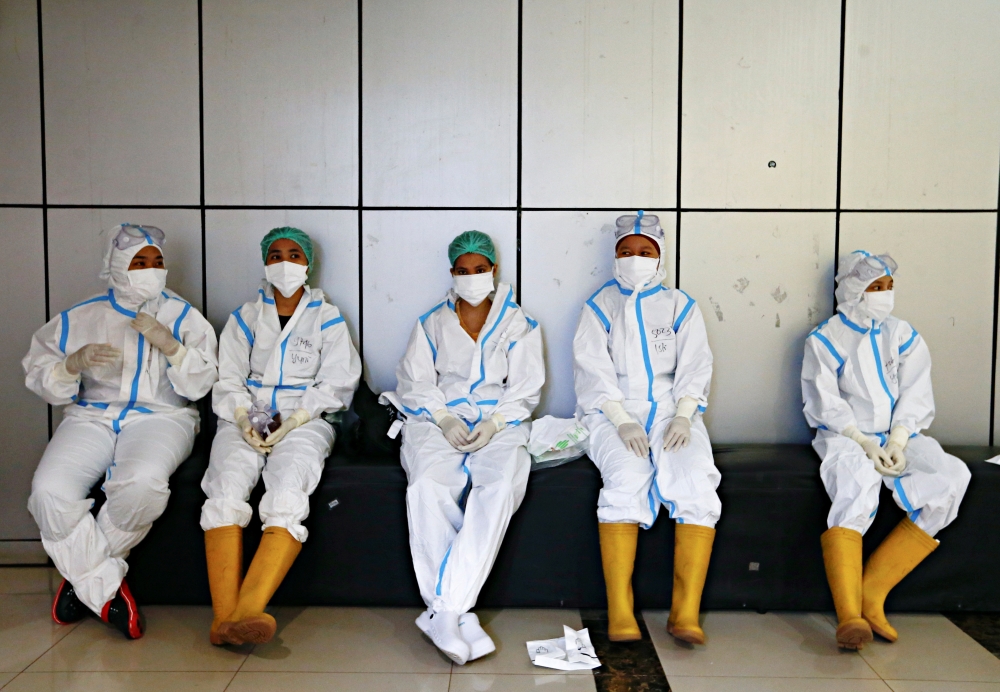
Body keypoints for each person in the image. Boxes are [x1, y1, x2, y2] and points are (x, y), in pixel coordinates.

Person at [22, 223, 218, 639]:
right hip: (91, 416)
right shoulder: (83, 315)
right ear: (115, 265)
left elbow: (202, 384)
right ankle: (105, 589)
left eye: (157, 262)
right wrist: (69, 365)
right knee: (48, 492)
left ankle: (81, 585)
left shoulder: (183, 316)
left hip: (163, 417)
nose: (151, 270)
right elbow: (40, 374)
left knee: (143, 484)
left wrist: (172, 346)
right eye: (139, 262)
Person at [381, 231, 544, 665]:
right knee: (428, 487)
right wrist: (444, 418)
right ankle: (458, 611)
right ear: (451, 273)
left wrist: (494, 423)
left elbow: (525, 391)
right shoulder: (432, 322)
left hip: (500, 424)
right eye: (462, 270)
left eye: (479, 269)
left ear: (494, 270)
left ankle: (444, 610)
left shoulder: (520, 324)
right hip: (436, 421)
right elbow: (415, 382)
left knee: (498, 488)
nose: (471, 277)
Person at [802, 250, 971, 651]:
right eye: (876, 288)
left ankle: (872, 592)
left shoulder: (903, 333)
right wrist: (860, 441)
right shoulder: (826, 338)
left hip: (900, 436)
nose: (884, 295)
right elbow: (822, 400)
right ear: (854, 291)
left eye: (889, 287)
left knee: (952, 478)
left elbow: (916, 392)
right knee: (855, 488)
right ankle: (848, 615)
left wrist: (897, 439)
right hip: (843, 436)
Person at [201, 227, 361, 646]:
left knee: (289, 492)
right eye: (276, 255)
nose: (285, 263)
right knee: (225, 489)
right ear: (264, 263)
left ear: (308, 263)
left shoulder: (327, 317)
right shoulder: (244, 317)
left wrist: (296, 419)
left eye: (293, 254)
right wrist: (241, 416)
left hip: (305, 420)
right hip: (245, 416)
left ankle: (245, 612)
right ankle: (226, 619)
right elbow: (229, 375)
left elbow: (339, 380)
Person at [573, 212, 719, 645]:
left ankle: (685, 612)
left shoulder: (680, 305)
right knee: (626, 477)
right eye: (626, 252)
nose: (635, 259)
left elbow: (697, 364)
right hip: (611, 413)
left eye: (645, 252)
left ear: (660, 257)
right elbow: (590, 370)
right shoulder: (599, 306)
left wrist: (685, 412)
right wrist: (619, 419)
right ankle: (621, 610)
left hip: (675, 413)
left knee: (696, 482)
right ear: (614, 258)